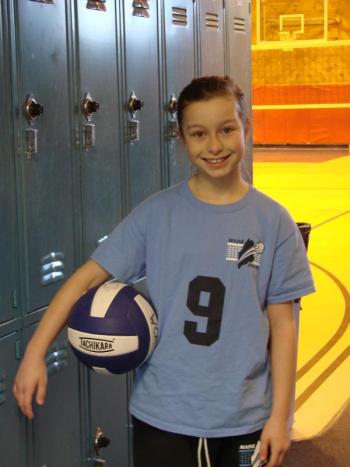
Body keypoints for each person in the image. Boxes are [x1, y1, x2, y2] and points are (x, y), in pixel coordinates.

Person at [13, 76, 315, 467]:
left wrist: (281, 416)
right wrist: (35, 353)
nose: (215, 145)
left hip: (245, 419)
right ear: (182, 140)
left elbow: (285, 325)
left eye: (227, 129)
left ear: (246, 126)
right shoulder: (157, 214)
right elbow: (87, 277)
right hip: (163, 415)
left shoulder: (274, 222)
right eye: (199, 134)